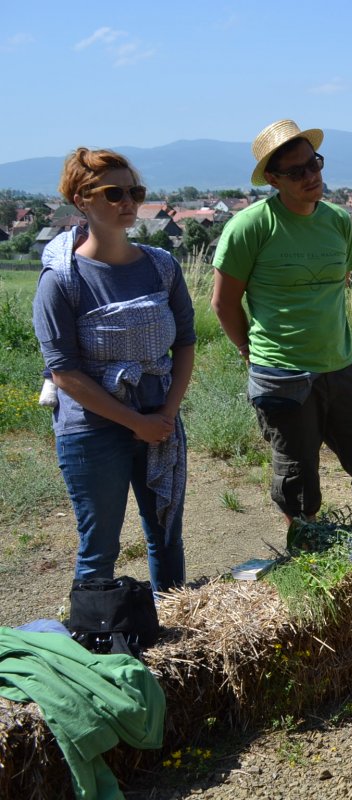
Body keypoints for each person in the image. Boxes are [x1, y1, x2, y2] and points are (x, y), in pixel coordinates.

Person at [211, 119, 352, 526]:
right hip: (281, 375)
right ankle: (308, 558)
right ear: (273, 180)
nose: (311, 177)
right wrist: (251, 353)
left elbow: (340, 282)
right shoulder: (250, 227)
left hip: (341, 368)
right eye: (297, 172)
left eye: (315, 165)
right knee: (298, 488)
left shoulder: (337, 221)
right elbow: (224, 304)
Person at [33, 148, 195, 593]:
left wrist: (165, 416)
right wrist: (136, 423)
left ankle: (173, 633)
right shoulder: (61, 279)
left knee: (165, 536)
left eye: (135, 191)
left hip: (160, 418)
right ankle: (94, 646)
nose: (129, 202)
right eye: (114, 193)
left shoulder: (162, 266)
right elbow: (64, 372)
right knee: (99, 547)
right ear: (82, 200)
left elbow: (185, 342)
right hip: (90, 429)